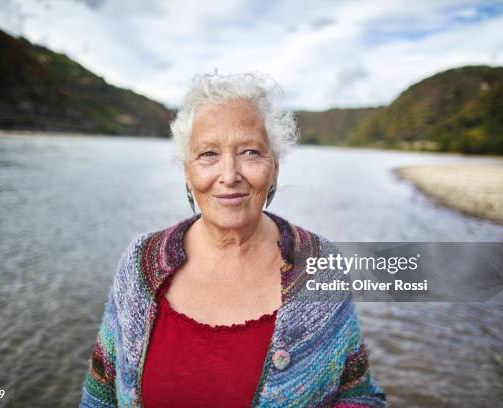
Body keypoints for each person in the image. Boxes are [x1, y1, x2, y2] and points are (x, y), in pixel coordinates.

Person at [79, 72, 386, 407]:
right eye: (208, 154)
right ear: (187, 170)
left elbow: (358, 394)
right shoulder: (141, 261)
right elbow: (102, 388)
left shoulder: (321, 266)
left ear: (274, 167)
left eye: (250, 152)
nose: (229, 175)